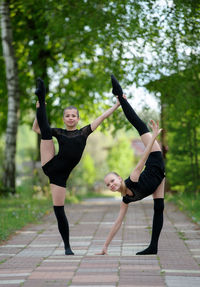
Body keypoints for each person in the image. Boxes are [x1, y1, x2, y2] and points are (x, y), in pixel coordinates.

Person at [32, 78, 120, 255]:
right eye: (67, 116)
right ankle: (41, 98)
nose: (70, 118)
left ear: (78, 118)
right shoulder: (60, 132)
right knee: (47, 132)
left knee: (59, 209)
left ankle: (66, 246)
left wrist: (117, 105)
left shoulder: (84, 132)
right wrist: (38, 110)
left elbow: (101, 117)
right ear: (64, 119)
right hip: (50, 163)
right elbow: (37, 129)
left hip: (59, 177)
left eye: (73, 115)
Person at [97, 75, 165, 255]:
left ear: (119, 178)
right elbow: (118, 222)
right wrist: (104, 247)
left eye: (112, 180)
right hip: (159, 177)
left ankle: (119, 95)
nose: (111, 185)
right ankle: (154, 247)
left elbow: (144, 157)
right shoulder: (125, 199)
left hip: (154, 157)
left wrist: (154, 136)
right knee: (159, 208)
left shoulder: (133, 179)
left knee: (138, 124)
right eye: (108, 184)